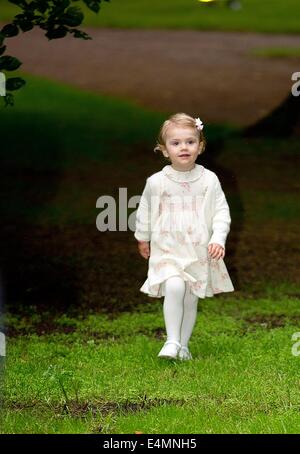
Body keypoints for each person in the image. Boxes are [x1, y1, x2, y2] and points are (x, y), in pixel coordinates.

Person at [134, 113, 234, 361]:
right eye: (176, 143)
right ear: (165, 150)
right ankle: (171, 340)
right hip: (167, 248)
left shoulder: (209, 180)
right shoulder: (157, 182)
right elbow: (145, 210)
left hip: (197, 250)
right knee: (174, 285)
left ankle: (183, 346)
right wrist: (143, 237)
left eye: (190, 142)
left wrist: (218, 239)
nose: (183, 147)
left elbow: (221, 212)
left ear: (200, 146)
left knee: (190, 298)